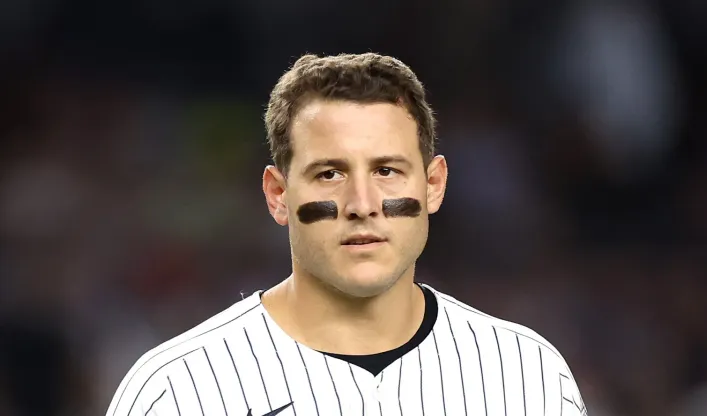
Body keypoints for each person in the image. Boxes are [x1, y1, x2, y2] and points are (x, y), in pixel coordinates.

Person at [106, 52, 587, 416]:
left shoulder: (526, 375)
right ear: (277, 194)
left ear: (433, 184)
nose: (362, 204)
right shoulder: (180, 389)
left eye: (387, 171)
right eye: (330, 174)